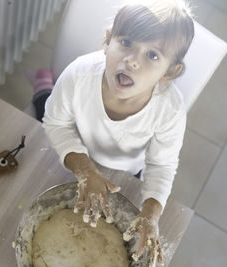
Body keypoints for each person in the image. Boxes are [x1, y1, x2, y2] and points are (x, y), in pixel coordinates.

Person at [28, 0, 194, 264]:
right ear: (108, 41)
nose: (132, 61)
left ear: (170, 72)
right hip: (75, 151)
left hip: (127, 168)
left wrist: (150, 213)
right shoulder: (78, 76)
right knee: (44, 108)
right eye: (126, 43)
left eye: (152, 55)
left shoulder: (169, 111)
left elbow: (161, 165)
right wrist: (86, 170)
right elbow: (57, 123)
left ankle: (45, 86)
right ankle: (43, 85)